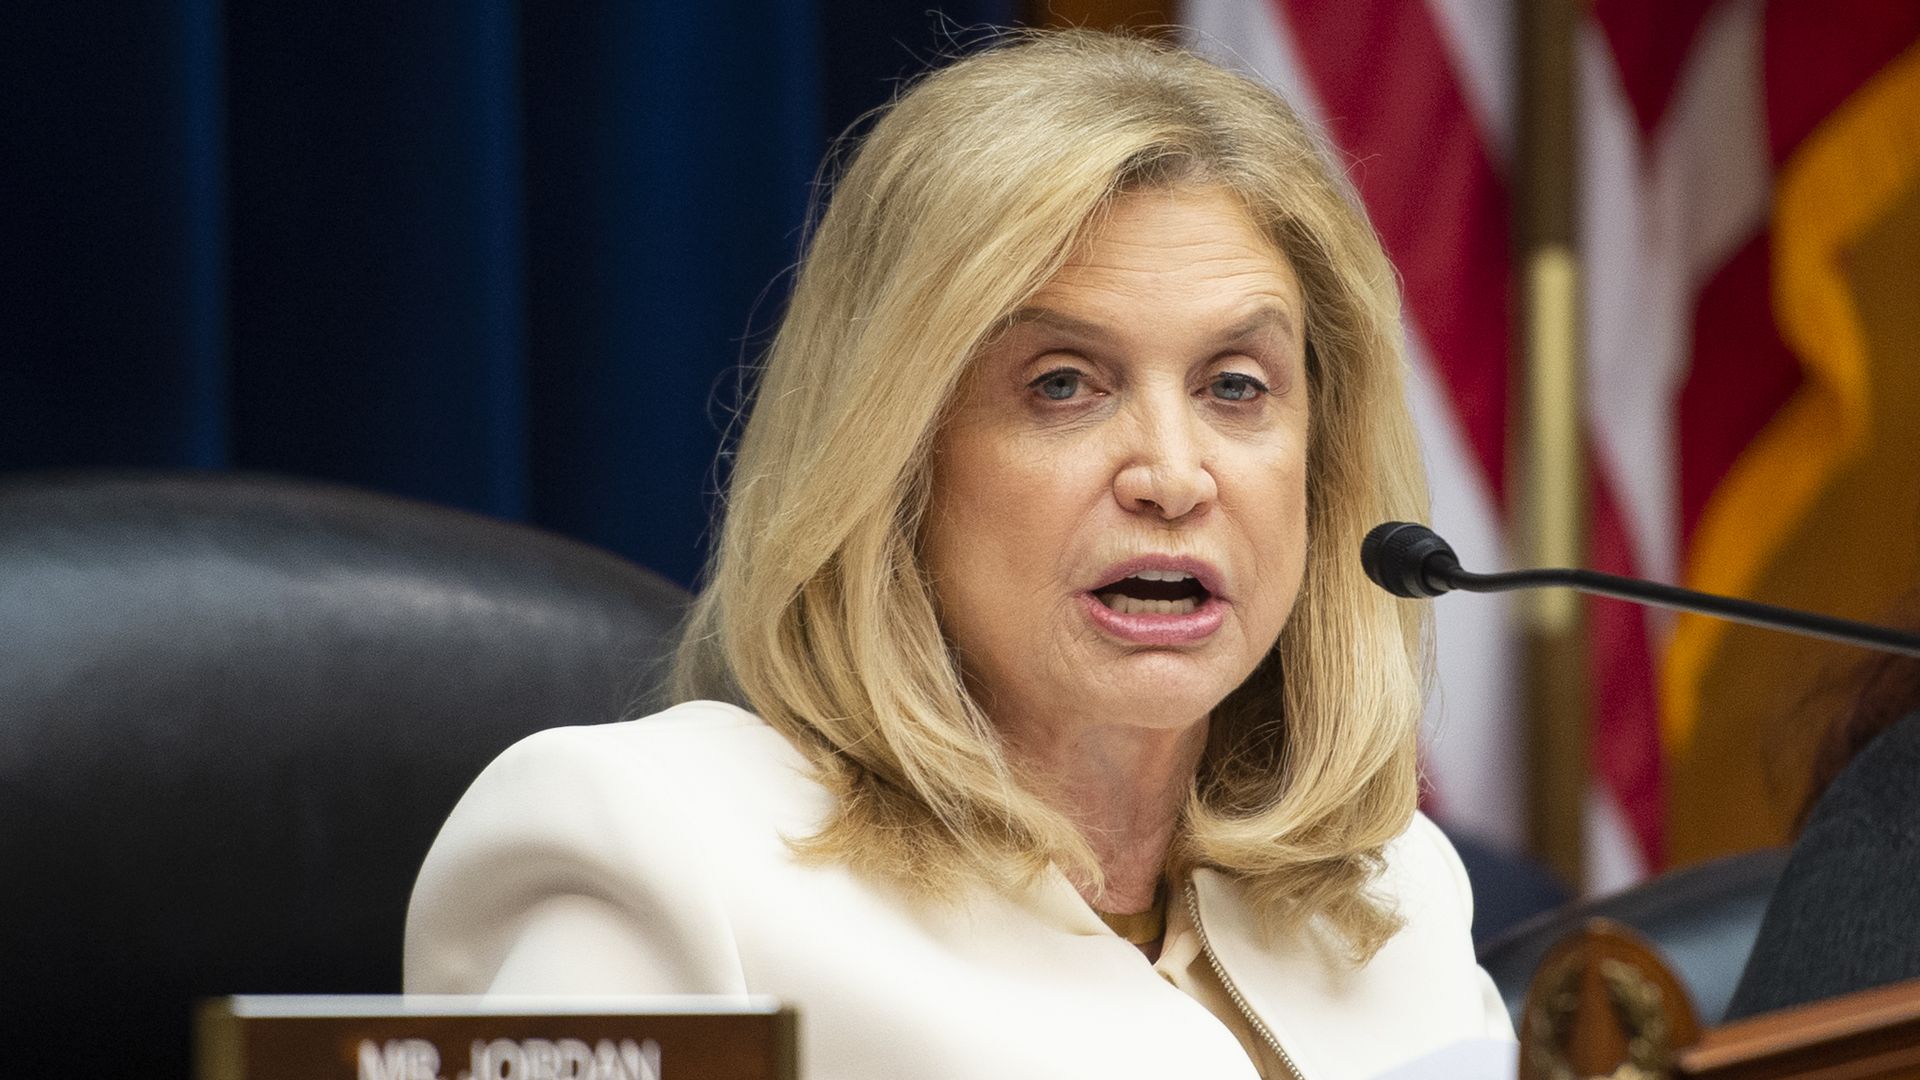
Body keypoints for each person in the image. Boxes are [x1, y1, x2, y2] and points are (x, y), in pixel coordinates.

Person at [405, 30, 1512, 1079]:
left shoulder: (1396, 899)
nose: (1174, 476)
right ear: (892, 459)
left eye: (1235, 388)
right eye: (1063, 386)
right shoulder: (654, 853)